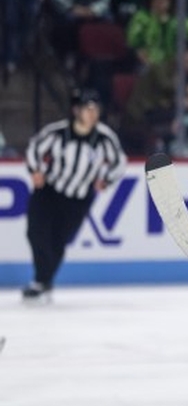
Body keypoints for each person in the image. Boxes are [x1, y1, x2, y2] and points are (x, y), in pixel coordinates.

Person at [21, 88, 127, 303]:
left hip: (78, 198)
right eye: (88, 109)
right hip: (49, 192)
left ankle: (43, 281)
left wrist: (106, 179)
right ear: (76, 110)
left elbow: (119, 162)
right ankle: (42, 280)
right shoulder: (58, 132)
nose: (92, 114)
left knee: (58, 240)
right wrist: (35, 171)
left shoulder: (104, 137)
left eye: (96, 110)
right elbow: (34, 148)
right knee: (36, 233)